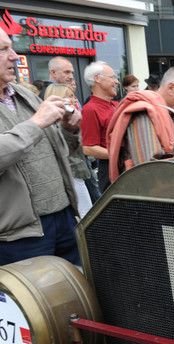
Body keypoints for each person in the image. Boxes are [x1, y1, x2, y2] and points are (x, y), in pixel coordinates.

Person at [0, 28, 82, 266]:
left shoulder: (24, 95)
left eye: (12, 47)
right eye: (4, 50)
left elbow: (62, 150)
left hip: (64, 217)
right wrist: (36, 122)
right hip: (19, 236)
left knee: (76, 295)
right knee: (33, 302)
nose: (15, 56)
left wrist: (69, 128)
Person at [44, 84, 93, 218]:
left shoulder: (72, 119)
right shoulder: (55, 123)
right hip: (71, 173)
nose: (75, 99)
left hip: (77, 171)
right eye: (70, 96)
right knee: (85, 213)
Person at [81, 61, 119, 192]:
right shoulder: (90, 109)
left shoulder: (116, 105)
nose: (116, 82)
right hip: (110, 170)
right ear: (97, 79)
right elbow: (88, 148)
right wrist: (118, 155)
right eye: (112, 77)